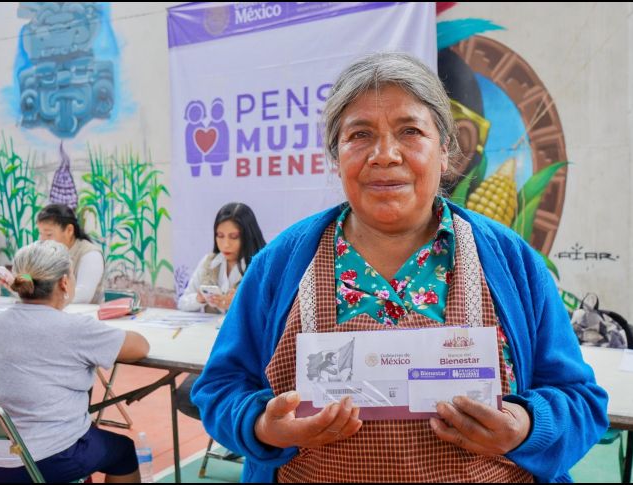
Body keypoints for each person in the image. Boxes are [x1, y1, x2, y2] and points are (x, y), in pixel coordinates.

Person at [191, 53, 608, 482]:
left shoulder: (510, 261)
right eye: (360, 134)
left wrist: (526, 426)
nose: (385, 155)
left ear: (444, 152)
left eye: (410, 131)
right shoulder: (280, 265)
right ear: (336, 158)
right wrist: (262, 426)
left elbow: (581, 402)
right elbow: (220, 389)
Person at [0, 240, 149, 483]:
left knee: (85, 434)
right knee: (122, 452)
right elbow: (140, 347)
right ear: (64, 282)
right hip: (39, 462)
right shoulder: (74, 328)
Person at [178, 202, 266, 314]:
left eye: (234, 237)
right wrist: (199, 298)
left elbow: (268, 312)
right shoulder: (209, 262)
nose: (225, 244)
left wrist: (239, 304)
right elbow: (182, 303)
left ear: (248, 236)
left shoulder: (261, 267)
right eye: (220, 236)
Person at [36, 204, 104, 304]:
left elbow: (84, 295)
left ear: (69, 230)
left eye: (49, 234)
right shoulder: (47, 253)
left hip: (84, 316)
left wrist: (45, 299)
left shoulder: (91, 254)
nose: (42, 240)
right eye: (40, 233)